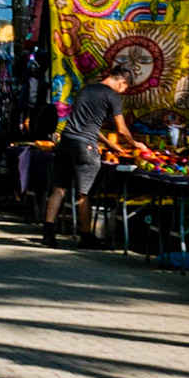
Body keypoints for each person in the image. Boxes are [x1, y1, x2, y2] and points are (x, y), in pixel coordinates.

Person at [42, 60, 145, 248]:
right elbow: (121, 129)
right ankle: (86, 236)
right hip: (85, 148)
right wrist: (135, 143)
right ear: (122, 82)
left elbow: (87, 123)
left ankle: (48, 233)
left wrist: (108, 144)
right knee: (84, 193)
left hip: (66, 141)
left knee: (59, 188)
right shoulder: (112, 96)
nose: (123, 92)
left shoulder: (86, 89)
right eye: (125, 88)